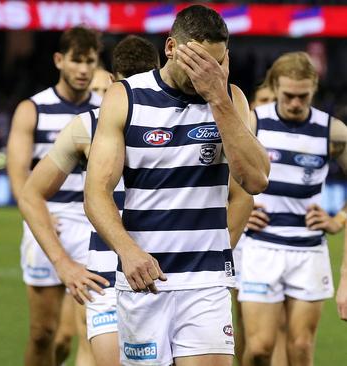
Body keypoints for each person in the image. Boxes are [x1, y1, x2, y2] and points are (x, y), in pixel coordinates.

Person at [84, 5, 270, 366]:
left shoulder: (230, 99)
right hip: (144, 279)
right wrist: (127, 251)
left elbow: (256, 180)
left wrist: (218, 97)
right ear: (171, 47)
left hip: (205, 283)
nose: (207, 73)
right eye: (198, 62)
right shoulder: (126, 97)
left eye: (216, 63)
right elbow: (96, 193)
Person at [19, 35, 162, 366]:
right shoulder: (88, 126)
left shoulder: (181, 120)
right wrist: (63, 263)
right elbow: (30, 193)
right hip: (108, 271)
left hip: (166, 273)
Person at [238, 51, 347, 366]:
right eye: (288, 95)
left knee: (300, 348)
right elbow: (222, 178)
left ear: (314, 88)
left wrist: (338, 219)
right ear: (275, 86)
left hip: (308, 250)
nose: (296, 103)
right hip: (262, 248)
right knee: (259, 349)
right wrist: (239, 212)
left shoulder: (333, 130)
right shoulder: (254, 123)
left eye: (303, 96)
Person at [7, 26, 102, 366]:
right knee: (43, 333)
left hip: (94, 226)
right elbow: (19, 174)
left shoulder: (106, 110)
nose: (83, 69)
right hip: (50, 222)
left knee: (86, 331)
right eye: (76, 60)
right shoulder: (33, 108)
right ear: (59, 60)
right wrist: (40, 217)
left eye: (90, 61)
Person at [232, 76, 276, 366]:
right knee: (231, 316)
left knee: (264, 330)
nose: (268, 109)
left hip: (271, 246)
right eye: (262, 102)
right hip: (238, 238)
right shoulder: (236, 140)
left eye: (272, 101)